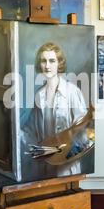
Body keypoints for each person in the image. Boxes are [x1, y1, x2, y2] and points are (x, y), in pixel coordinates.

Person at [22, 42, 88, 176]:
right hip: (45, 165)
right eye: (43, 61)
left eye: (52, 61)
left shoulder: (72, 92)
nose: (47, 66)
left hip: (66, 166)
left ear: (59, 64)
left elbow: (82, 131)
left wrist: (61, 152)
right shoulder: (39, 95)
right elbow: (31, 131)